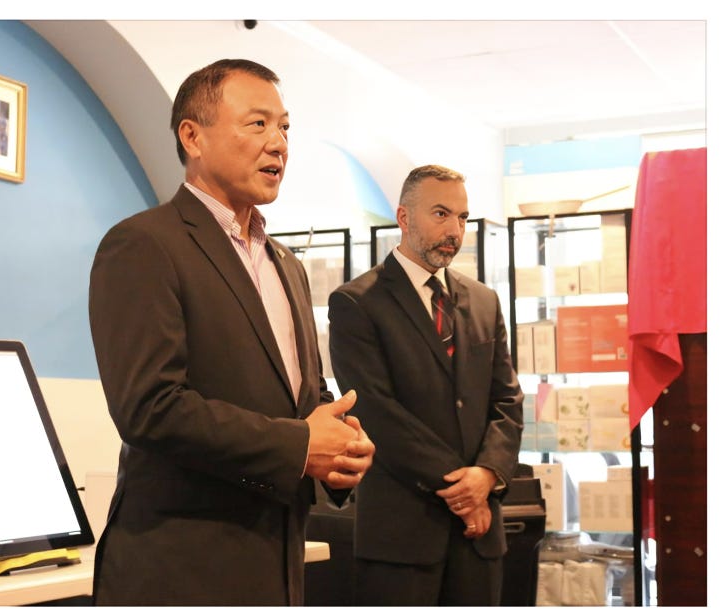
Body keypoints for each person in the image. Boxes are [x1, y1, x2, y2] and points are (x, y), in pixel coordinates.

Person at [88, 58, 375, 606]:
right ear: (192, 137)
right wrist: (300, 445)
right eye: (258, 124)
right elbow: (150, 407)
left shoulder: (286, 264)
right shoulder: (144, 245)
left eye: (285, 127)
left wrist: (339, 453)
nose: (279, 144)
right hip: (182, 569)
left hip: (278, 564)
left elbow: (303, 399)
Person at [327, 164, 523, 605]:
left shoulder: (484, 301)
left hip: (478, 537)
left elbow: (507, 400)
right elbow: (376, 411)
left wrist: (488, 474)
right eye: (440, 214)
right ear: (403, 218)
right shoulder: (357, 303)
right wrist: (463, 488)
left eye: (462, 217)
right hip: (402, 535)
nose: (454, 229)